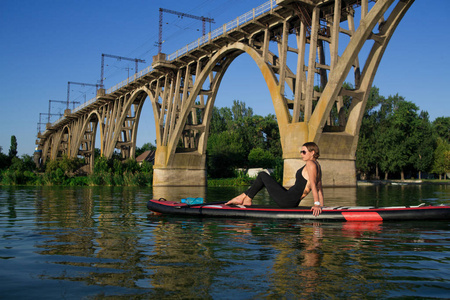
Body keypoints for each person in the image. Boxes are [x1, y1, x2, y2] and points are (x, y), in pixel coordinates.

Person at [225, 142, 324, 216]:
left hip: (287, 200)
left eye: (304, 152)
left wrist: (316, 204)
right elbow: (320, 188)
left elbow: (315, 186)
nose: (301, 154)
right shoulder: (318, 166)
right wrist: (322, 206)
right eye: (301, 152)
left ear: (312, 152)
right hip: (291, 199)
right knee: (263, 178)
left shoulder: (310, 164)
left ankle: (246, 198)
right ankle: (244, 197)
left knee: (263, 175)